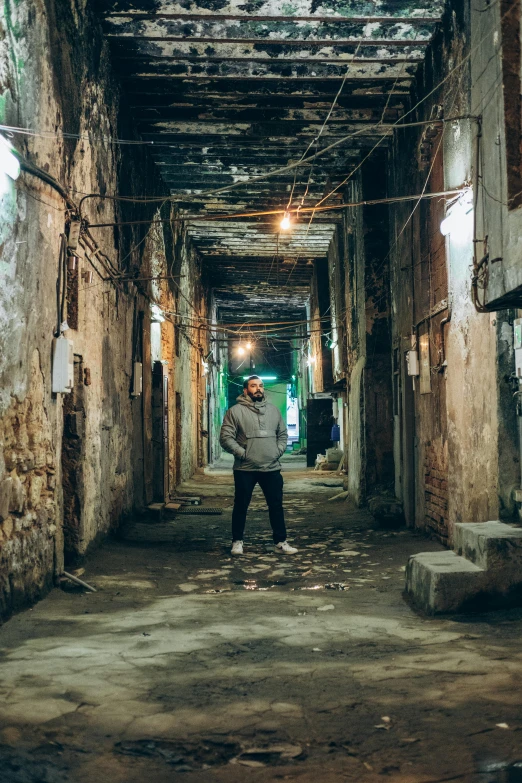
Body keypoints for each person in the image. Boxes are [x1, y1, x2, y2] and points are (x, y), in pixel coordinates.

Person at [219, 375, 298, 556]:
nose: (258, 389)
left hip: (271, 468)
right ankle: (237, 542)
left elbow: (282, 434)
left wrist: (276, 452)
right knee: (241, 505)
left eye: (261, 386)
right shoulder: (235, 411)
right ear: (246, 390)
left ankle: (280, 542)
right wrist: (243, 454)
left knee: (276, 506)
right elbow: (225, 438)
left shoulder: (274, 411)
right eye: (253, 386)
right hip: (245, 469)